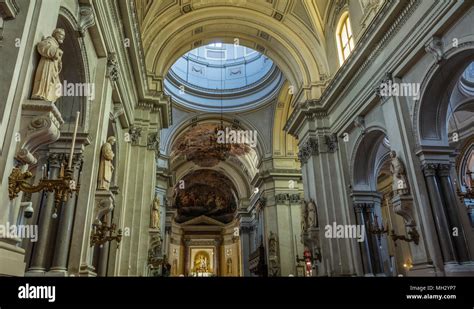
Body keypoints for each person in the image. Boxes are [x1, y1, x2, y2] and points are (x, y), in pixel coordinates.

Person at [32, 28, 65, 103]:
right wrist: (55, 52)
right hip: (47, 65)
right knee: (45, 79)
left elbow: (57, 61)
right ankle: (41, 93)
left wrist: (59, 62)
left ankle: (46, 95)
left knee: (57, 87)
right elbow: (41, 46)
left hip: (52, 67)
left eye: (63, 36)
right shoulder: (50, 40)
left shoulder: (55, 44)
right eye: (61, 35)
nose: (62, 37)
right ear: (56, 34)